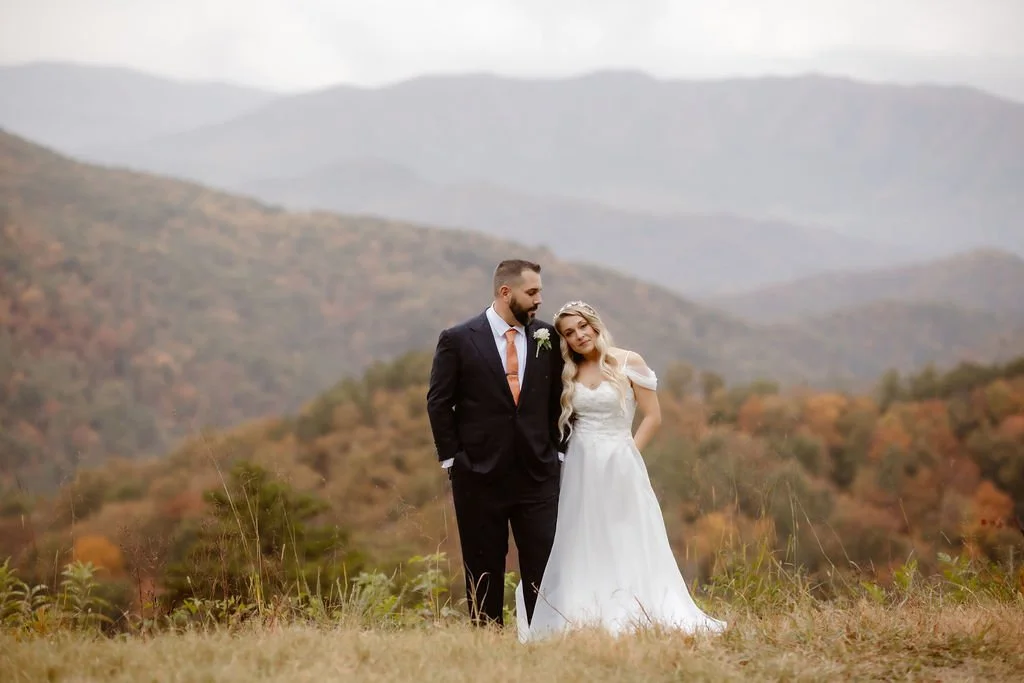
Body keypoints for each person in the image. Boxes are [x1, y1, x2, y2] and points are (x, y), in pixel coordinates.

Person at [514, 300, 727, 641]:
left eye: (582, 326)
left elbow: (653, 416)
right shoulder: (569, 372)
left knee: (627, 530)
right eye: (569, 333)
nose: (578, 335)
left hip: (621, 460)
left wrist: (629, 452)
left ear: (594, 324)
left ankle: (636, 604)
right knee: (582, 533)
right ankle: (583, 608)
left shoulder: (629, 361)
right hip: (580, 465)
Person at [426, 259, 566, 627]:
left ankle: (542, 637)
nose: (539, 300)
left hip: (538, 473)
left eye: (539, 292)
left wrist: (557, 451)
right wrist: (454, 459)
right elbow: (439, 402)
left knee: (544, 563)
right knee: (483, 564)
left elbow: (558, 397)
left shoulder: (548, 337)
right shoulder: (457, 339)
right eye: (531, 292)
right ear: (506, 292)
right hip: (478, 474)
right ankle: (486, 638)